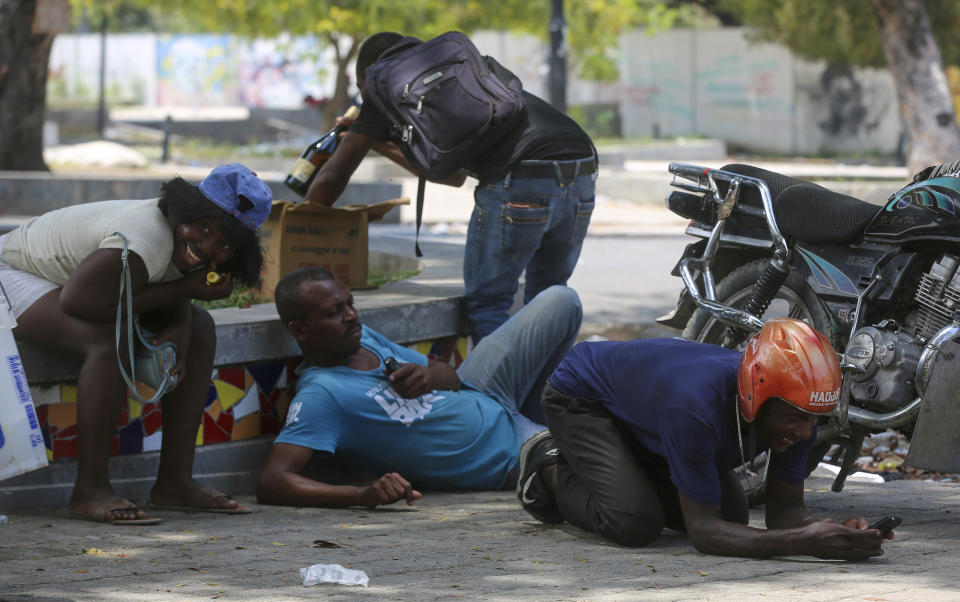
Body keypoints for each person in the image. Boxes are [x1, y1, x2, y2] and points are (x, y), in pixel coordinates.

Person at [0, 163, 271, 524]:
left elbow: (158, 287)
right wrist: (183, 292)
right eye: (202, 228)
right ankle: (90, 490)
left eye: (223, 244)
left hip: (80, 285)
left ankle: (175, 481)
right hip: (14, 273)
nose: (206, 247)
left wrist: (181, 319)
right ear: (184, 212)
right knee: (107, 341)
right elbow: (80, 303)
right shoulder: (145, 238)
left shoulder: (179, 242)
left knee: (201, 328)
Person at [516, 318, 895, 560]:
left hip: (654, 408)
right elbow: (704, 534)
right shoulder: (694, 404)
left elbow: (785, 516)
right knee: (633, 522)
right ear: (757, 397)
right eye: (796, 418)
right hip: (583, 397)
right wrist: (804, 543)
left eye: (816, 420)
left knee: (733, 515)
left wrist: (835, 534)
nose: (805, 432)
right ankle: (547, 463)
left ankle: (630, 465)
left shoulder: (797, 409)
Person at [304, 32, 597, 344]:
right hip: (581, 161)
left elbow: (332, 178)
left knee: (488, 302)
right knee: (549, 298)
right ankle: (550, 390)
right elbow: (453, 176)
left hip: (520, 173)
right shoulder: (458, 69)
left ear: (368, 77)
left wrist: (298, 231)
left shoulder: (382, 87)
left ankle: (495, 394)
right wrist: (380, 144)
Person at [256, 267, 582, 508]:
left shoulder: (362, 338)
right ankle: (544, 441)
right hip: (506, 451)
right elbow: (273, 482)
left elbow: (451, 376)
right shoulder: (321, 394)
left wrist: (429, 378)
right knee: (586, 461)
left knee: (562, 300)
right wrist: (363, 495)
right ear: (299, 331)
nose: (352, 316)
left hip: (484, 390)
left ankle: (546, 426)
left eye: (350, 304)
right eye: (334, 313)